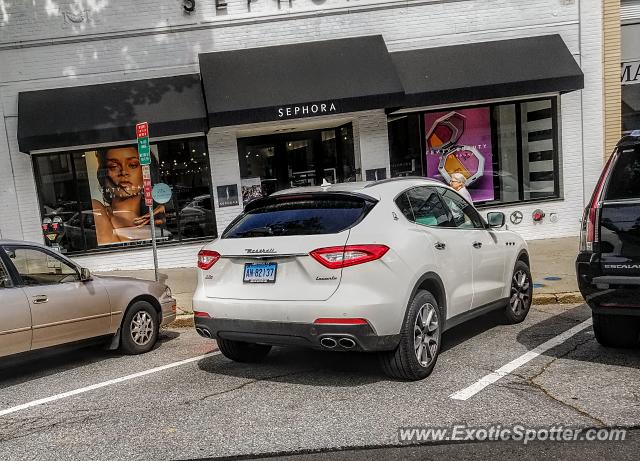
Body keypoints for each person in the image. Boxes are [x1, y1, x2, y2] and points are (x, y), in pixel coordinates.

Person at [91, 146, 165, 245]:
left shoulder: (155, 219)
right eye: (113, 166)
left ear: (147, 172)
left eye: (132, 165)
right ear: (104, 174)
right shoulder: (97, 209)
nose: (123, 172)